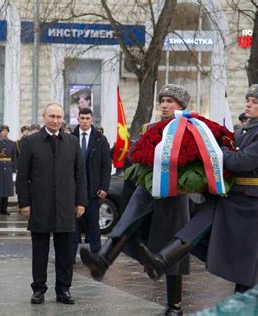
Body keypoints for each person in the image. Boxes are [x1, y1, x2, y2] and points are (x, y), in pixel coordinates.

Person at [140, 84, 258, 295]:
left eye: (255, 102)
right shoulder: (244, 130)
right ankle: (163, 259)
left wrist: (218, 150)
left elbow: (239, 162)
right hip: (231, 195)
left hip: (251, 202)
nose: (249, 104)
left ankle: (241, 303)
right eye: (248, 100)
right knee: (197, 223)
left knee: (246, 258)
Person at [80, 84, 191, 315]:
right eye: (163, 100)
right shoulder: (151, 127)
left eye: (170, 101)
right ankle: (102, 260)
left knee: (171, 247)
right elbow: (137, 154)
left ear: (181, 105)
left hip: (174, 191)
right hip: (148, 187)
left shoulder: (188, 128)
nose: (164, 105)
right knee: (127, 221)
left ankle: (175, 305)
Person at [16, 103, 87, 305]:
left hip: (66, 205)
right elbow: (23, 176)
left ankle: (63, 289)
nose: (55, 120)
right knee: (40, 251)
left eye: (59, 117)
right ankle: (38, 289)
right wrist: (24, 203)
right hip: (40, 205)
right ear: (44, 117)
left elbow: (80, 175)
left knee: (65, 252)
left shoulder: (72, 142)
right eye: (51, 116)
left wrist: (81, 201)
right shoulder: (30, 142)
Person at [72, 107, 111, 260]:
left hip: (93, 189)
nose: (85, 121)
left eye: (88, 118)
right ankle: (71, 253)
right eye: (82, 118)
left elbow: (106, 165)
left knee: (93, 222)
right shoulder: (71, 137)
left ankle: (96, 254)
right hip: (74, 189)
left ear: (92, 120)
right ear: (78, 119)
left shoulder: (100, 139)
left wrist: (103, 187)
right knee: (73, 223)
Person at [0, 125, 16, 215]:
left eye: (6, 131)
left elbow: (14, 158)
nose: (5, 132)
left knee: (7, 189)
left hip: (8, 167)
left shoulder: (12, 143)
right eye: (3, 131)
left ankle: (5, 208)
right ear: (0, 132)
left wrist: (14, 171)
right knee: (0, 189)